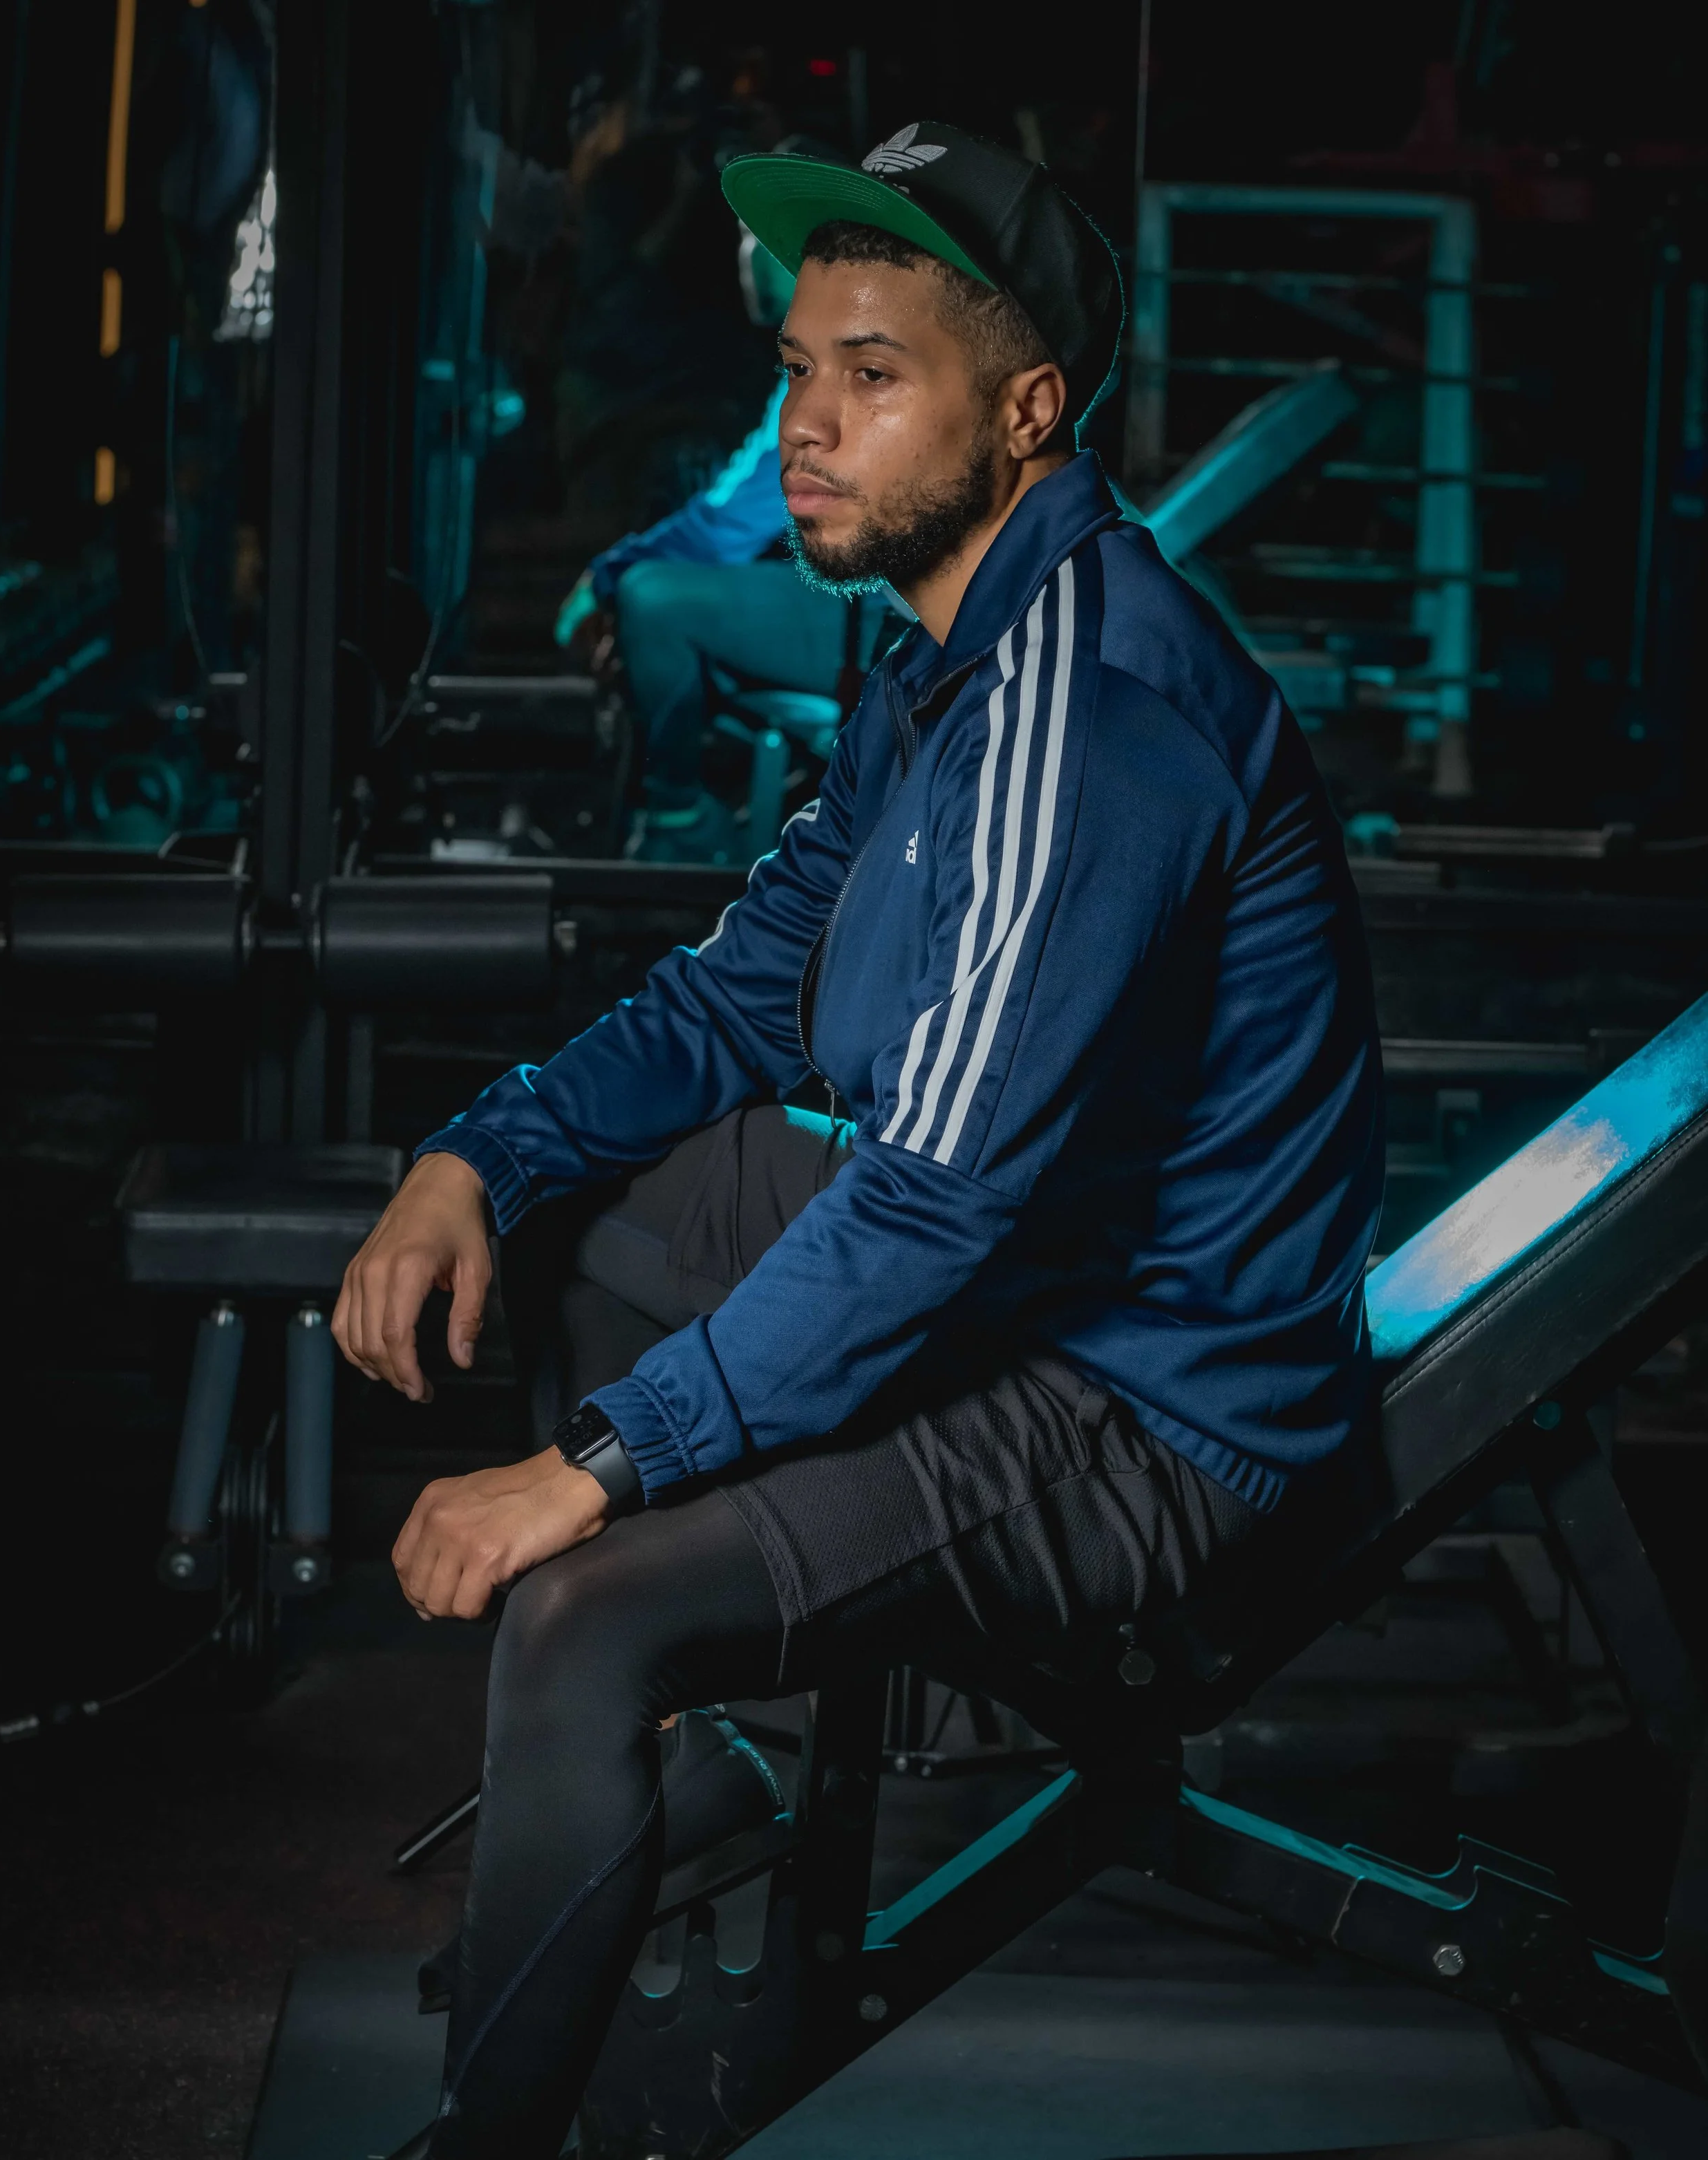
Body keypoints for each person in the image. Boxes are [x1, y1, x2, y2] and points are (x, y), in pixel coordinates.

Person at [335, 121, 1385, 2157]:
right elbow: (741, 1001)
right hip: (1030, 1285)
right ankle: (683, 1751)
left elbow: (930, 1209)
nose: (805, 428)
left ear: (1022, 412)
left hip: (1140, 1410)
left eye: (869, 376)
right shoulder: (935, 666)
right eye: (795, 371)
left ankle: (510, 2075)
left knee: (576, 1605)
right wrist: (477, 1151)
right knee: (568, 1221)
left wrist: (593, 1469)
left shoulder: (1089, 715)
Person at [557, 214, 897, 856]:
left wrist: (604, 579)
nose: (745, 254)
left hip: (882, 623)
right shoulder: (830, 356)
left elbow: (725, 529)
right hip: (864, 605)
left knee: (653, 599)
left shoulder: (838, 368)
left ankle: (679, 821)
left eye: (756, 233)